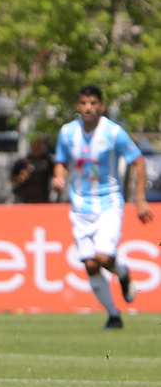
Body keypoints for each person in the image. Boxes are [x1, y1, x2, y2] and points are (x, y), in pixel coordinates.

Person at [51, 85, 153, 329]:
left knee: (104, 256)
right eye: (84, 103)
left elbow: (138, 162)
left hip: (108, 203)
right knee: (90, 263)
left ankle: (123, 272)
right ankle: (113, 315)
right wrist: (59, 177)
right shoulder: (67, 133)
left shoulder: (113, 132)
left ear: (102, 106)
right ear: (78, 106)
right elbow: (61, 162)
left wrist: (139, 199)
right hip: (79, 207)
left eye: (94, 103)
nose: (89, 107)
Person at [10, 136, 54, 203]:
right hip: (25, 200)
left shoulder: (47, 162)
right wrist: (20, 178)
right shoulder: (23, 162)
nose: (36, 147)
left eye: (39, 144)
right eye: (34, 144)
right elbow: (12, 179)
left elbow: (55, 176)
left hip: (43, 199)